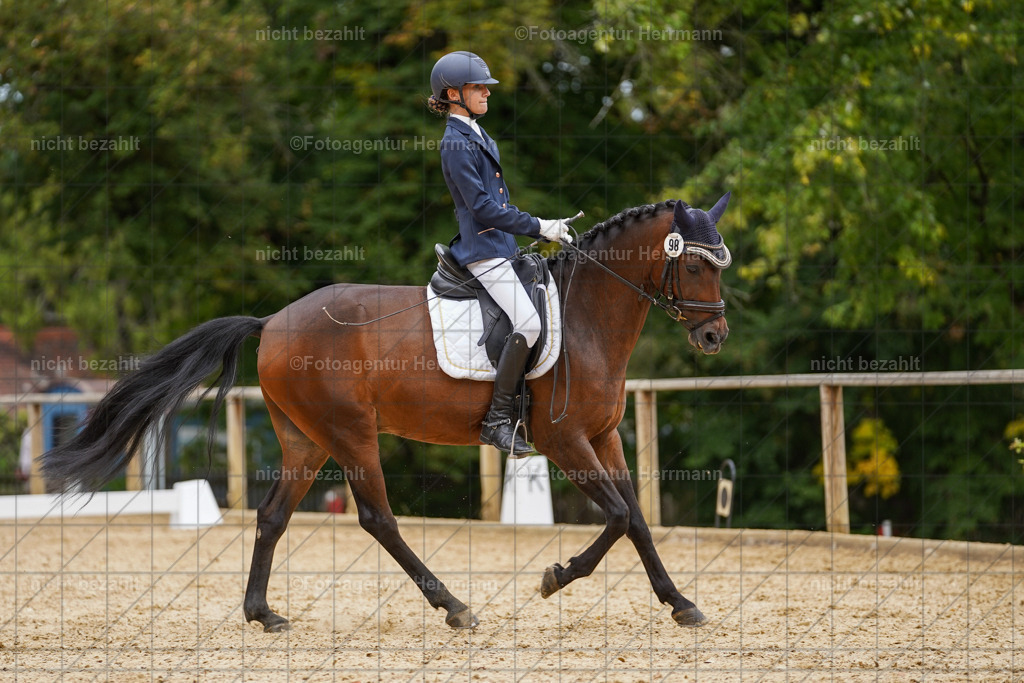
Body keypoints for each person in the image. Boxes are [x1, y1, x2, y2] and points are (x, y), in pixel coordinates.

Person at [427, 51, 571, 455]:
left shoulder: (476, 132)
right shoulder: (455, 143)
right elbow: (484, 209)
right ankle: (498, 421)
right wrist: (541, 226)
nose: (487, 92)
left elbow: (499, 204)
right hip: (483, 251)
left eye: (486, 86)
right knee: (527, 324)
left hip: (502, 247)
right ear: (453, 94)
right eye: (478, 87)